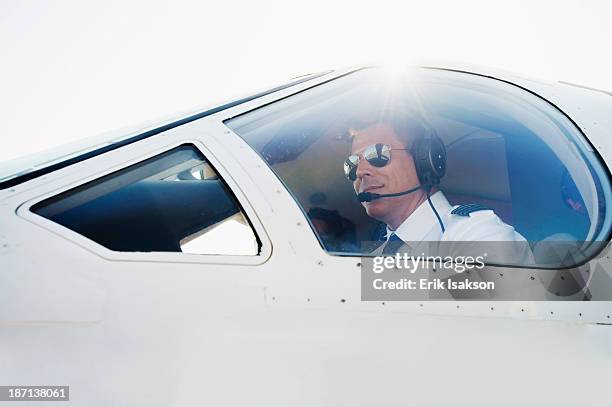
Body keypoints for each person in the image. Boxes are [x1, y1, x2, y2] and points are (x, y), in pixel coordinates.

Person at [344, 116, 533, 263]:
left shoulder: (476, 234)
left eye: (377, 154)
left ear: (424, 159)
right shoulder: (370, 258)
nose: (360, 171)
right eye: (352, 164)